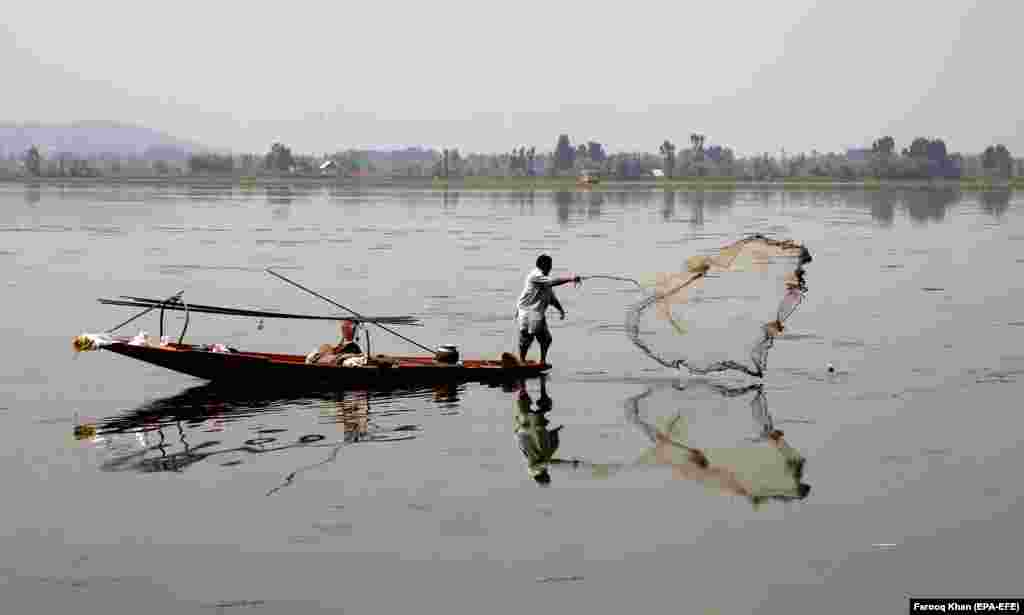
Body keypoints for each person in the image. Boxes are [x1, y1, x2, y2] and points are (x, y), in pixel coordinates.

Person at [515, 254, 581, 366]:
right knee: (527, 338)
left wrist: (560, 310)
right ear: (544, 265)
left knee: (546, 339)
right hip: (527, 311)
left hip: (537, 313)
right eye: (549, 265)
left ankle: (542, 361)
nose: (551, 268)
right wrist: (570, 279)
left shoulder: (545, 279)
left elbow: (551, 298)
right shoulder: (535, 275)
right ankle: (521, 361)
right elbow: (553, 282)